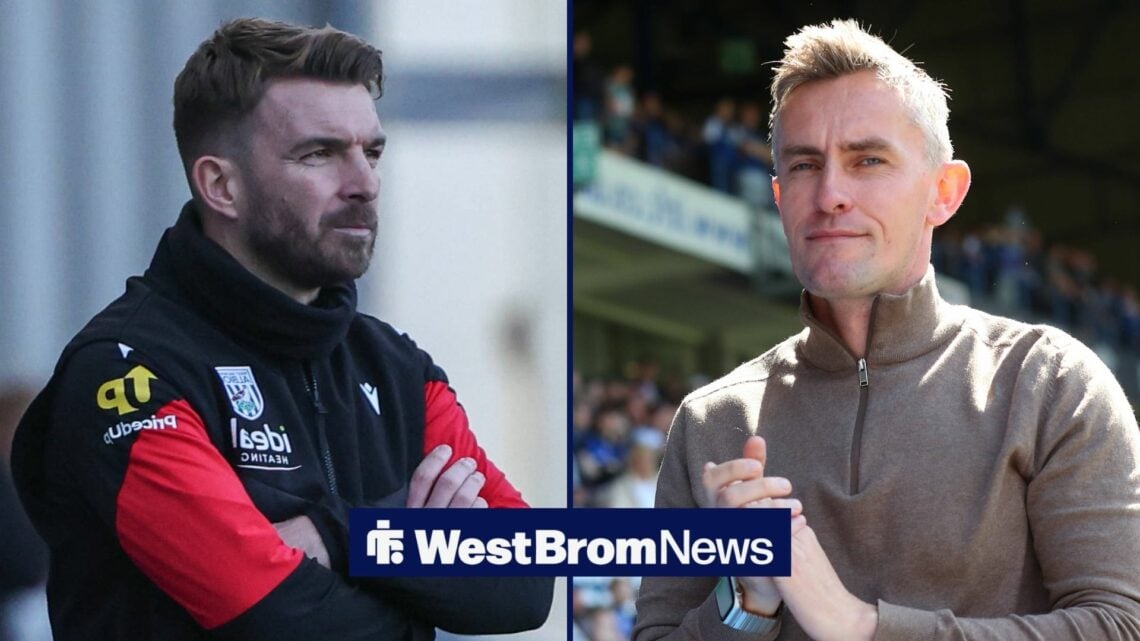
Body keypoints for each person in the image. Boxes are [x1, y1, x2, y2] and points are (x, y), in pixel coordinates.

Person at [10, 17, 552, 641]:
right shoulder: (129, 374)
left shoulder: (397, 370)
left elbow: (529, 581)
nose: (364, 184)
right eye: (319, 153)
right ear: (221, 185)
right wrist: (416, 551)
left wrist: (340, 535)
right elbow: (281, 622)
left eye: (371, 152)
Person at [634, 19, 1140, 641]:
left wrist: (860, 626)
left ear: (944, 193)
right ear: (777, 195)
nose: (830, 194)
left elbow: (1120, 626)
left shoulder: (1050, 382)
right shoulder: (711, 422)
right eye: (803, 165)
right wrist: (748, 605)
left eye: (867, 160)